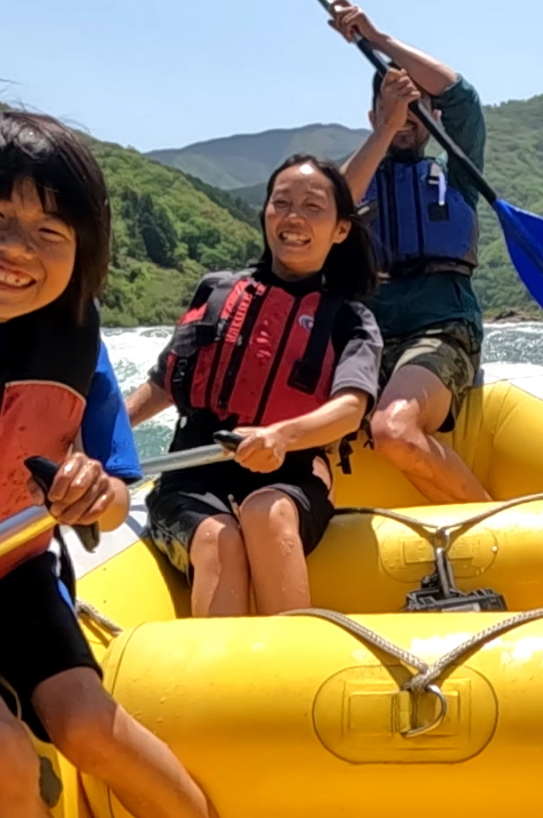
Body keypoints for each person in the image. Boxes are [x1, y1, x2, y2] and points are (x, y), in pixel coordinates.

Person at [0, 112, 336, 818]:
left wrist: (95, 494)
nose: (17, 247)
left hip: (13, 574)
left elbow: (121, 495)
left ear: (82, 251)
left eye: (49, 229)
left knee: (90, 721)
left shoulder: (77, 341)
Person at [126, 155, 381, 618]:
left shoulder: (350, 319)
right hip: (194, 469)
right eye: (281, 203)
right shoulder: (218, 293)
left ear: (341, 229)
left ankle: (285, 670)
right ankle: (220, 682)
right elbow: (165, 383)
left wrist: (281, 436)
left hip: (293, 470)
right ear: (264, 213)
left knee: (268, 513)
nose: (294, 217)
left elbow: (350, 408)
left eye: (312, 207)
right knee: (217, 538)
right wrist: (96, 439)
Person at [327, 0, 491, 504]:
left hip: (441, 327)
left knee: (393, 429)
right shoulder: (346, 180)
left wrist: (375, 38)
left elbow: (462, 96)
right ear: (374, 114)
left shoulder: (457, 174)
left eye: (416, 108)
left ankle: (491, 522)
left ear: (430, 116)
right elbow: (330, 210)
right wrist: (387, 123)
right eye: (394, 107)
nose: (406, 119)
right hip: (366, 339)